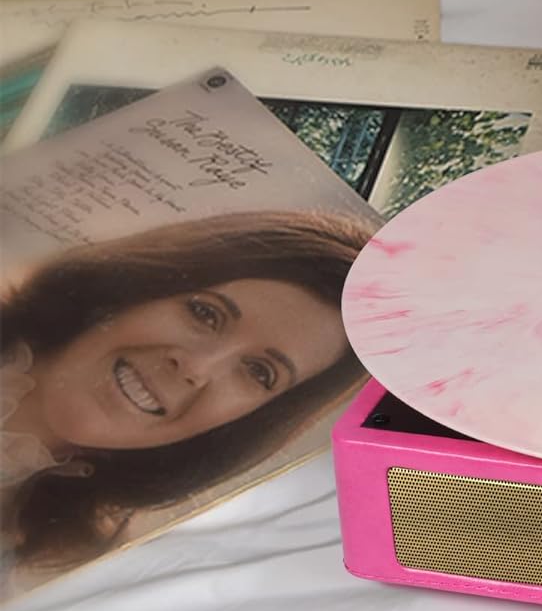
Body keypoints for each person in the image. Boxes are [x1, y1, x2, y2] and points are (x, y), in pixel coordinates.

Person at [0, 209, 376, 581]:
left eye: (259, 372)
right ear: (134, 289)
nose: (196, 368)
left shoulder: (77, 566)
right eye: (205, 314)